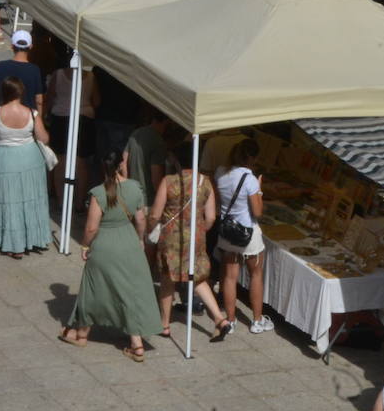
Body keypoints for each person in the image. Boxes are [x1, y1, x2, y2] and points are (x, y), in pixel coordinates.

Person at [59, 151, 163, 360]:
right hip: (129, 241)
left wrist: (85, 246)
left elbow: (91, 228)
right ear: (121, 164)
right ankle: (137, 344)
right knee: (129, 291)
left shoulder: (98, 192)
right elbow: (140, 219)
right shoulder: (135, 187)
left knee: (92, 288)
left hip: (104, 245)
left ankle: (81, 334)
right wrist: (139, 239)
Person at [149, 148, 232, 340]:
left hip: (171, 238)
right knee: (198, 278)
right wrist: (200, 229)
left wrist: (150, 230)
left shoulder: (169, 181)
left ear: (176, 161)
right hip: (196, 237)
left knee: (168, 279)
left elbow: (154, 214)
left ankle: (164, 324)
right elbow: (211, 217)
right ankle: (220, 319)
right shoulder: (205, 182)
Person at [0, 78, 51, 257]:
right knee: (29, 198)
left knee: (7, 200)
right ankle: (29, 239)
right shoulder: (32, 113)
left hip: (4, 157)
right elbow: (44, 138)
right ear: (21, 92)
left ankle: (8, 242)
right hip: (29, 159)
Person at [214, 138, 272, 334]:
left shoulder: (221, 172)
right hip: (248, 234)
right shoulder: (250, 179)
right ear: (252, 158)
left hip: (228, 233)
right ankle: (257, 321)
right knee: (256, 274)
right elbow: (257, 212)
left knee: (230, 277)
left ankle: (230, 321)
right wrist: (260, 189)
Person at [46, 60, 99, 206]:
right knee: (81, 161)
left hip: (60, 118)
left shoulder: (58, 74)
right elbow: (97, 101)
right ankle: (80, 202)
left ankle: (61, 201)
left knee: (60, 160)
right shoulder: (91, 77)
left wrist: (47, 114)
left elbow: (50, 97)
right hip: (84, 118)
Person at [0, 30, 43, 113]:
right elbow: (39, 100)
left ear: (12, 46)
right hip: (26, 117)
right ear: (31, 46)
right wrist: (39, 118)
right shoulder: (34, 70)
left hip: (3, 116)